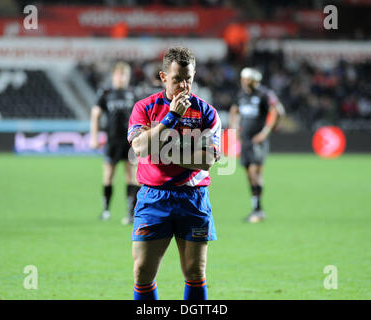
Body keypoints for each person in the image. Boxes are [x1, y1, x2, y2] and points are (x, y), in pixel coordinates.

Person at [127, 47, 221, 300]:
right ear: (163, 77)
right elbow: (139, 147)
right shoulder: (145, 107)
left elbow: (208, 160)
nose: (184, 85)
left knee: (195, 271)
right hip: (154, 197)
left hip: (194, 198)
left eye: (188, 78)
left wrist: (162, 151)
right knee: (142, 272)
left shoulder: (207, 112)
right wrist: (171, 118)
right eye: (178, 78)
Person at [229, 67, 285, 223]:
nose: (245, 82)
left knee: (255, 173)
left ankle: (258, 210)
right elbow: (234, 111)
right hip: (245, 141)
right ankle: (256, 208)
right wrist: (234, 128)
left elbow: (278, 111)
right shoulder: (241, 95)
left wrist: (266, 132)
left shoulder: (264, 94)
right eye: (243, 79)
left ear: (255, 81)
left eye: (248, 79)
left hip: (257, 141)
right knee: (249, 174)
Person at [90, 62, 140, 225]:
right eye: (118, 74)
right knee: (108, 176)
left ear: (128, 77)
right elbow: (95, 114)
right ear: (113, 76)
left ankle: (130, 212)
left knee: (131, 176)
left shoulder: (133, 94)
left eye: (124, 75)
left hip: (130, 141)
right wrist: (94, 137)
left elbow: (142, 116)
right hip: (112, 141)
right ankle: (106, 210)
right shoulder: (106, 93)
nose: (121, 78)